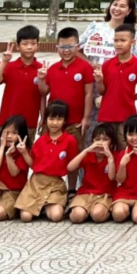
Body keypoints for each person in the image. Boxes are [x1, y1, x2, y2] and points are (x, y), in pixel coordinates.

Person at [40, 26, 94, 172]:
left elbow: (89, 93)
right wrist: (41, 79)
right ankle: (50, 180)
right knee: (49, 154)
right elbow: (44, 92)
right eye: (62, 47)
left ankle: (72, 185)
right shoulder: (52, 69)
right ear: (57, 47)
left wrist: (86, 118)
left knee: (73, 155)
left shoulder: (85, 67)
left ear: (78, 47)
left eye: (70, 46)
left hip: (75, 122)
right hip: (54, 120)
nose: (66, 50)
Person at [15, 99, 76, 222]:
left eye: (59, 119)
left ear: (65, 121)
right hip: (36, 183)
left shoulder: (70, 141)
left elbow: (73, 167)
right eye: (51, 119)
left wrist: (71, 189)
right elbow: (33, 164)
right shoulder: (40, 141)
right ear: (45, 120)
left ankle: (45, 206)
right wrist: (24, 152)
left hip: (55, 184)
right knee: (25, 217)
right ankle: (40, 206)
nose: (55, 123)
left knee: (56, 216)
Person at [94, 24, 137, 142]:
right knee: (106, 147)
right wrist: (100, 81)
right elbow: (102, 92)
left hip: (127, 116)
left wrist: (133, 97)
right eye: (116, 40)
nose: (119, 44)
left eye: (123, 40)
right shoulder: (107, 65)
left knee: (124, 146)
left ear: (133, 42)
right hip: (107, 115)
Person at [0, 25, 44, 133]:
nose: (29, 47)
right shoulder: (10, 66)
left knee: (26, 144)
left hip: (29, 122)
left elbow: (43, 95)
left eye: (33, 43)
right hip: (7, 120)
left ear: (38, 46)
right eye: (25, 44)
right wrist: (4, 62)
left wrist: (43, 117)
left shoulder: (41, 69)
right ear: (17, 46)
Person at [0, 114, 30, 222]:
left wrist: (9, 156)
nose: (9, 136)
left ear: (21, 135)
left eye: (14, 133)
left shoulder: (22, 151)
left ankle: (14, 208)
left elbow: (14, 173)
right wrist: (2, 147)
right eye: (6, 132)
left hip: (14, 191)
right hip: (0, 188)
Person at [66, 121, 117, 224]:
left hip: (105, 194)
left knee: (98, 215)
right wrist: (86, 151)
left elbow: (112, 177)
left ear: (111, 143)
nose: (101, 142)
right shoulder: (89, 155)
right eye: (97, 139)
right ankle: (84, 210)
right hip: (85, 193)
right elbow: (70, 167)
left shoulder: (114, 156)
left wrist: (110, 158)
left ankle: (102, 211)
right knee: (77, 216)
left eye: (105, 139)